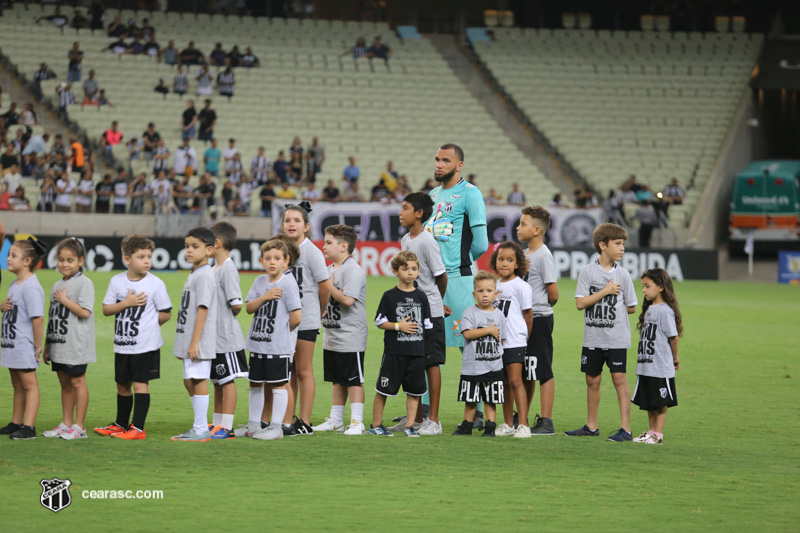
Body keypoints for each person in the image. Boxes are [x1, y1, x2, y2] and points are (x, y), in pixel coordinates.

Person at [95, 235, 172, 440]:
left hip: (145, 346)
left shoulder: (155, 284)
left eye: (149, 256)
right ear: (127, 259)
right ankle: (120, 424)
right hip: (122, 345)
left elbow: (166, 313)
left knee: (140, 383)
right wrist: (126, 303)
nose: (147, 261)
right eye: (141, 256)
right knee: (122, 384)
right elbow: (106, 309)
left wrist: (147, 328)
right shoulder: (116, 281)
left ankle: (138, 428)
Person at [567, 223, 637, 441]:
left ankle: (625, 429)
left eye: (623, 244)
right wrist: (606, 292)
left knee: (619, 379)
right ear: (602, 245)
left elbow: (632, 306)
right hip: (593, 338)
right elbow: (580, 304)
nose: (622, 248)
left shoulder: (624, 275)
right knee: (592, 380)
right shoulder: (587, 272)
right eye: (618, 244)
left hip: (616, 339)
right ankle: (591, 426)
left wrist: (613, 311)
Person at [237, 240, 301, 440]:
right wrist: (265, 297)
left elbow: (297, 317)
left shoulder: (288, 283)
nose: (272, 262)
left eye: (277, 258)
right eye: (268, 258)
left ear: (285, 261)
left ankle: (276, 428)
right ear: (261, 261)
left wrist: (280, 333)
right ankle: (254, 425)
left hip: (277, 347)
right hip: (257, 344)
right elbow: (248, 308)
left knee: (278, 385)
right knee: (255, 384)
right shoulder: (259, 282)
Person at [395, 193, 448, 435]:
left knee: (431, 363)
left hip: (430, 313)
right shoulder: (406, 239)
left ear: (418, 213)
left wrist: (435, 303)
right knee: (413, 363)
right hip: (412, 312)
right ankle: (415, 419)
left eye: (405, 208)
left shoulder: (427, 241)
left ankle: (434, 420)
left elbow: (441, 276)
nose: (400, 212)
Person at [427, 144, 488, 351]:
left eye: (446, 161)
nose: (439, 165)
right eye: (437, 159)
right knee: (429, 351)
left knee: (469, 346)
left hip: (458, 280)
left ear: (459, 165)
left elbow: (481, 244)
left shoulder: (470, 194)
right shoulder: (433, 195)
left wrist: (459, 261)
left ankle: (480, 385)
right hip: (431, 282)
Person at [280, 203, 332, 435]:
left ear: (306, 226)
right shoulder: (281, 249)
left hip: (306, 319)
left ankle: (305, 421)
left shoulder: (312, 252)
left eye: (296, 220)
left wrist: (321, 310)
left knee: (303, 369)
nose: (291, 224)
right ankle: (287, 418)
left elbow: (324, 286)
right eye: (287, 220)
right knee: (288, 370)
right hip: (284, 320)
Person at [368, 251, 432, 437]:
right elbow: (379, 322)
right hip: (394, 353)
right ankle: (376, 425)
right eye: (405, 269)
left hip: (416, 354)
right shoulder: (389, 296)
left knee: (414, 392)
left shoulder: (422, 297)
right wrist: (398, 326)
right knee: (383, 389)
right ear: (395, 271)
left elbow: (427, 325)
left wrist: (423, 349)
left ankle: (410, 426)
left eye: (414, 269)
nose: (410, 273)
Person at [314, 225, 368, 435]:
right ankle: (336, 420)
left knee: (353, 380)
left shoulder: (352, 270)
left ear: (344, 246)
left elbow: (347, 300)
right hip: (332, 336)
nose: (324, 246)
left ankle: (357, 422)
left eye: (329, 242)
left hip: (350, 337)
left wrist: (328, 286)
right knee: (337, 380)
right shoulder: (329, 271)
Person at [41, 239, 95, 440]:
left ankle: (79, 427)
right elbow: (52, 316)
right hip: (59, 343)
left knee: (78, 382)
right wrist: (47, 344)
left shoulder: (85, 283)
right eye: (61, 260)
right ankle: (66, 423)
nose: (64, 264)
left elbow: (85, 312)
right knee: (64, 383)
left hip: (76, 345)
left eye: (70, 260)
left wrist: (65, 300)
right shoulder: (56, 284)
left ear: (80, 261)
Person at [170, 228, 217, 442]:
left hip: (199, 340)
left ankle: (200, 430)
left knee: (197, 380)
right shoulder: (196, 273)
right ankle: (199, 425)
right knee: (189, 380)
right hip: (189, 338)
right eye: (187, 246)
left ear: (209, 250)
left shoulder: (205, 275)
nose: (189, 250)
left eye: (195, 246)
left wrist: (195, 342)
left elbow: (203, 309)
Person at [517, 205, 559, 435]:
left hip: (539, 318)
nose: (518, 227)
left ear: (536, 230)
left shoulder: (543, 255)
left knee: (542, 369)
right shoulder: (525, 255)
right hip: (524, 319)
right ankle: (522, 415)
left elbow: (553, 293)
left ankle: (546, 421)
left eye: (523, 224)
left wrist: (539, 307)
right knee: (527, 369)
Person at [0, 238, 46, 440]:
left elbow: (38, 318)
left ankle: (29, 427)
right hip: (12, 344)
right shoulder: (15, 283)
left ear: (27, 261)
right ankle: (16, 422)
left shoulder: (31, 287)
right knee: (17, 385)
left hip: (23, 345)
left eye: (13, 255)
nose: (8, 259)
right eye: (9, 255)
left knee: (29, 385)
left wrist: (37, 346)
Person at [451, 270, 505, 437]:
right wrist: (488, 330)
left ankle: (490, 427)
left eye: (489, 291)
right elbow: (467, 333)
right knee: (471, 398)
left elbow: (502, 339)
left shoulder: (499, 315)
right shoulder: (469, 312)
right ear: (474, 294)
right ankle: (467, 425)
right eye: (480, 291)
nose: (485, 295)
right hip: (472, 367)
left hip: (492, 366)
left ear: (496, 293)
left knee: (490, 399)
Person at [207, 222, 248, 440]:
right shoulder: (214, 269)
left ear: (217, 243)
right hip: (214, 339)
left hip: (226, 337)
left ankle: (227, 426)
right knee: (217, 381)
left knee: (227, 380)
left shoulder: (228, 267)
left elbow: (237, 303)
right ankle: (216, 423)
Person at [632, 268, 682, 445]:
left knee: (661, 403)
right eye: (643, 286)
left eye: (647, 286)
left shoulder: (665, 311)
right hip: (647, 364)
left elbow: (673, 337)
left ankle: (658, 435)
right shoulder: (650, 309)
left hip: (660, 366)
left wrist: (675, 358)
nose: (644, 290)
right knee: (650, 401)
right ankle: (651, 432)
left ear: (660, 287)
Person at [489, 241, 533, 438]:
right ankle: (508, 424)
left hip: (515, 341)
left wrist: (525, 338)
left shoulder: (521, 286)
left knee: (516, 381)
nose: (504, 264)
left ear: (517, 264)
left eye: (509, 260)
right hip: (498, 343)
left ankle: (523, 424)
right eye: (500, 259)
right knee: (504, 383)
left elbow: (528, 315)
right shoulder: (494, 286)